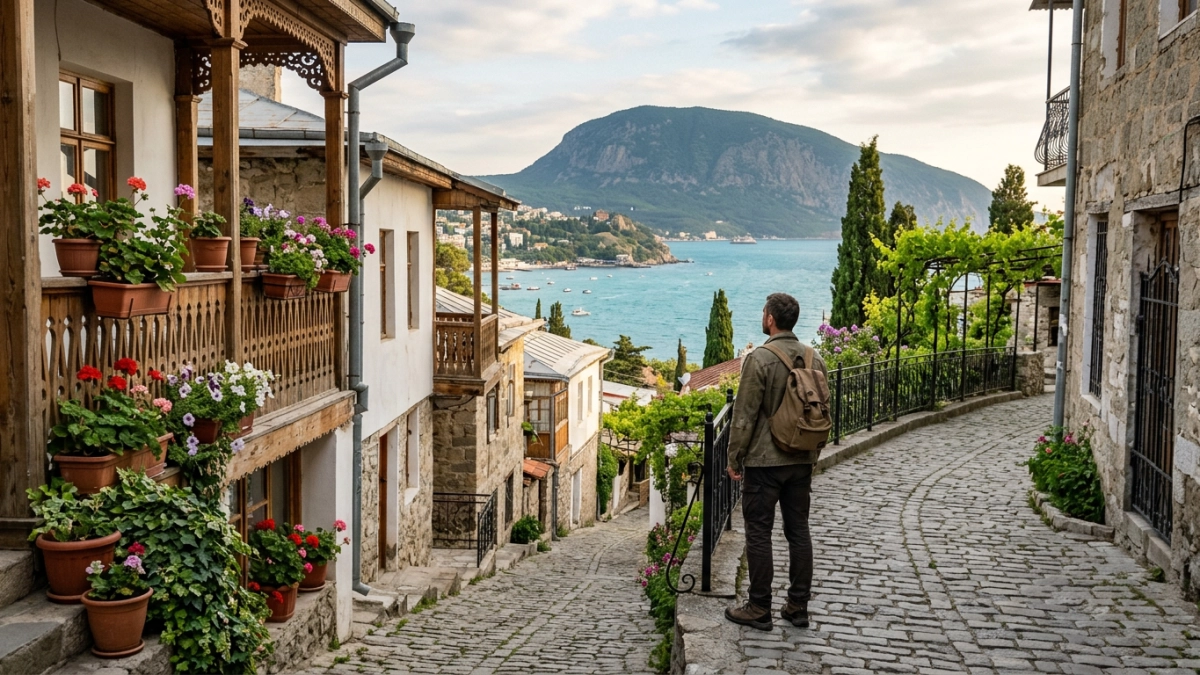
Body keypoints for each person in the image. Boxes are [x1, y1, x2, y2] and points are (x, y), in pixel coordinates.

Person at [724, 292, 827, 631]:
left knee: (759, 531)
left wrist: (734, 457)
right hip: (801, 459)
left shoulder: (760, 359)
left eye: (763, 311)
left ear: (770, 318)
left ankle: (759, 607)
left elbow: (744, 415)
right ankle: (798, 606)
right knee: (798, 531)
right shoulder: (816, 358)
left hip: (765, 462)